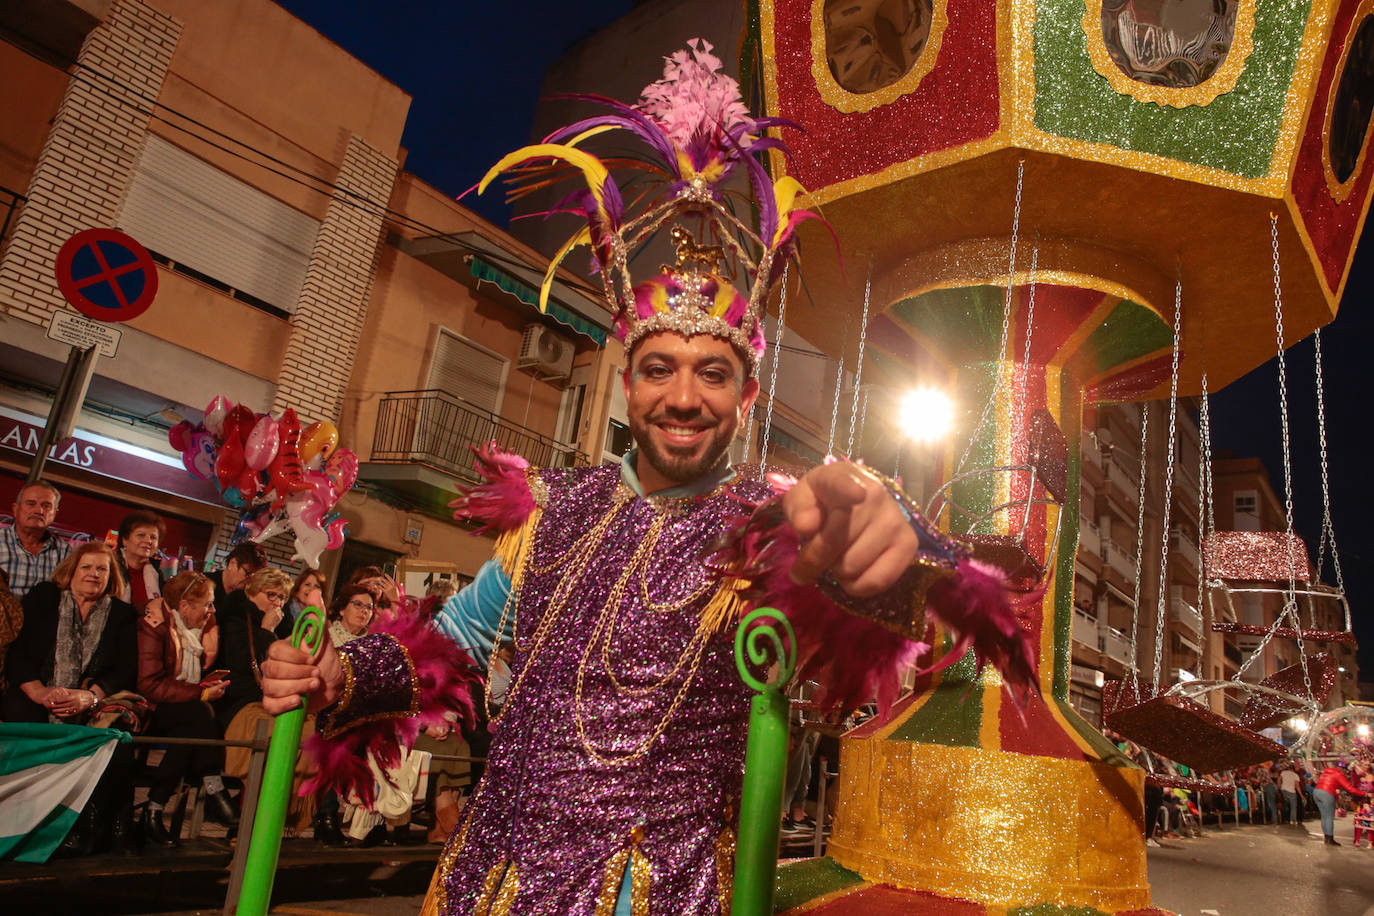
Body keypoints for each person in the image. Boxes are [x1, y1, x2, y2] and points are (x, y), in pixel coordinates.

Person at [260, 43, 1032, 916]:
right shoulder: (551, 510)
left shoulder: (770, 525)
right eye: (660, 368)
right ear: (627, 382)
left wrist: (895, 536)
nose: (684, 398)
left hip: (657, 895)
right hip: (492, 886)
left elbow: (887, 597)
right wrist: (340, 673)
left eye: (714, 374)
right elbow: (455, 645)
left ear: (746, 397)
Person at [137, 571, 238, 844]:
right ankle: (214, 788)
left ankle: (154, 808)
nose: (212, 610)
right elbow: (149, 685)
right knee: (200, 714)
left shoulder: (194, 633)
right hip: (151, 708)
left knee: (194, 728)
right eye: (207, 604)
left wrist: (203, 688)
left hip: (180, 709)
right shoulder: (155, 626)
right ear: (183, 606)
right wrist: (200, 693)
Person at [1, 541, 135, 722]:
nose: (94, 574)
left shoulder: (122, 613)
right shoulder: (44, 596)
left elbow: (124, 668)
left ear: (110, 575)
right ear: (72, 570)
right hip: (35, 693)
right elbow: (18, 654)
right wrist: (40, 693)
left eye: (102, 569)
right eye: (86, 567)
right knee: (19, 712)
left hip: (92, 700)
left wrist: (90, 697)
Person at [213, 566, 293, 732]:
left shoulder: (284, 628)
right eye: (271, 594)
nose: (277, 602)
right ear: (252, 593)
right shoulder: (234, 618)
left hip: (267, 698)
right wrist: (267, 630)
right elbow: (241, 663)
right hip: (236, 700)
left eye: (282, 597)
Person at [0, 480, 71, 597]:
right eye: (31, 504)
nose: (39, 511)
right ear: (15, 509)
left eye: (46, 506)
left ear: (54, 514)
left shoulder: (64, 552)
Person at [115, 510, 165, 609]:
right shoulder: (111, 568)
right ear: (124, 540)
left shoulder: (157, 574)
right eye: (141, 535)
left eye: (153, 537)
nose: (148, 541)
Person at [1314, 762, 1367, 845]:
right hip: (1327, 793)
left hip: (1317, 792)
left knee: (1324, 816)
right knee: (1329, 817)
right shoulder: (1339, 774)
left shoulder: (1327, 771)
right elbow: (1350, 788)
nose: (1346, 773)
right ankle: (1330, 839)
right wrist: (1364, 794)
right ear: (1343, 769)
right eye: (1346, 771)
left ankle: (1326, 838)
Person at [207, 541, 267, 609]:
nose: (250, 580)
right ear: (232, 563)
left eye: (254, 576)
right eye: (247, 573)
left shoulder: (247, 598)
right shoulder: (204, 584)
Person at [280, 567, 326, 640]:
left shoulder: (321, 618)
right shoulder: (282, 608)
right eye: (307, 584)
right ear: (299, 587)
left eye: (317, 586)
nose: (311, 589)